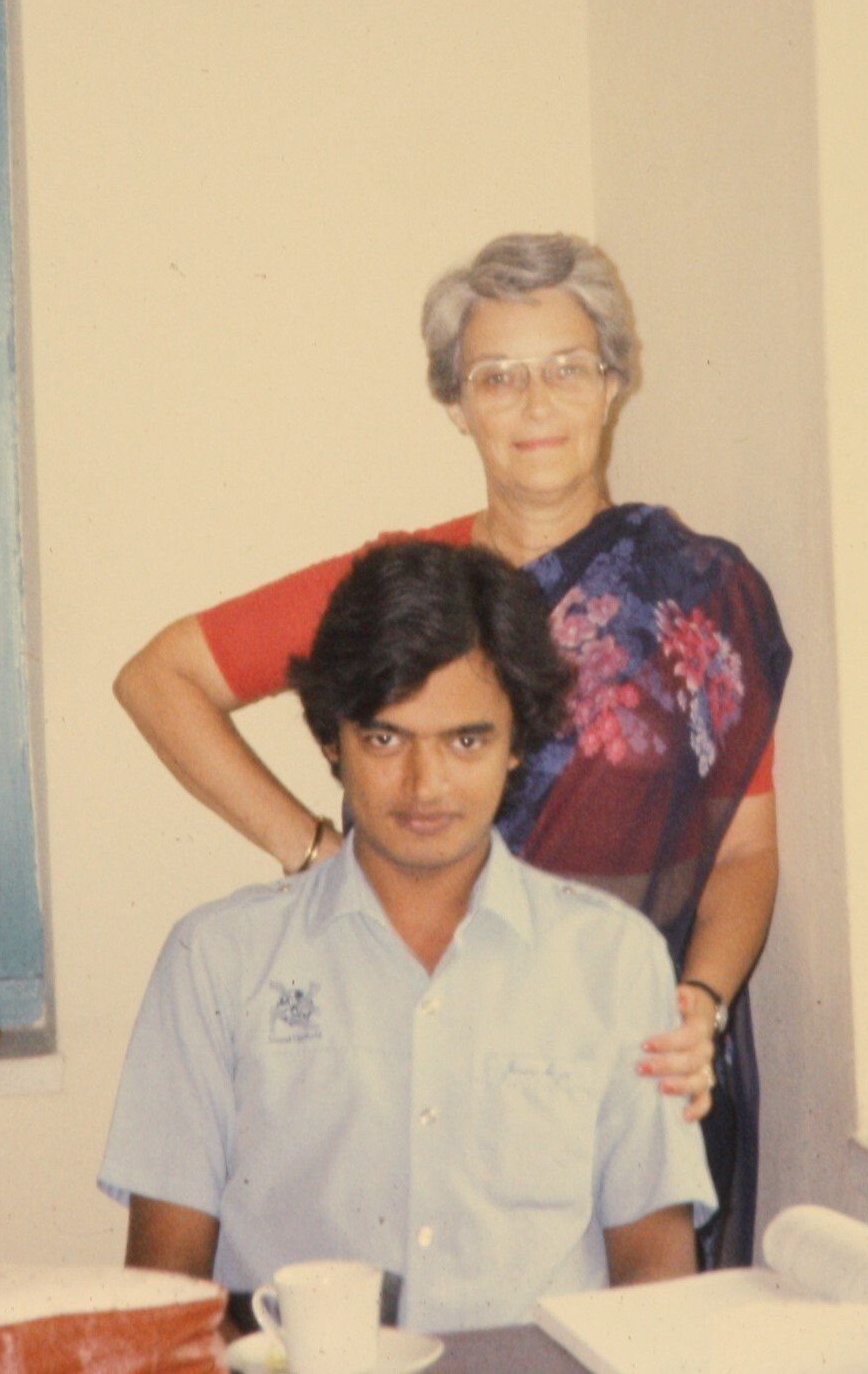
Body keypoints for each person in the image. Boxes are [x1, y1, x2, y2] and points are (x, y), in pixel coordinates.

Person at [115, 233, 788, 1259]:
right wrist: (311, 853)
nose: (534, 406)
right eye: (496, 377)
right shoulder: (399, 588)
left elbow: (741, 851)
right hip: (406, 1024)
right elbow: (160, 679)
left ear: (613, 384)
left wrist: (696, 1004)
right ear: (454, 404)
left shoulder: (699, 596)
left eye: (567, 369)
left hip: (620, 1051)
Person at [101, 544, 715, 1334]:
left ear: (517, 742)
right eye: (386, 740)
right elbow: (164, 1293)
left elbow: (656, 1271)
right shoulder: (214, 962)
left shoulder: (614, 960)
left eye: (465, 741)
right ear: (332, 740)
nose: (425, 786)